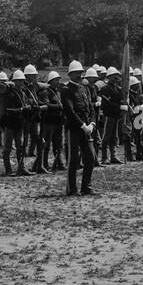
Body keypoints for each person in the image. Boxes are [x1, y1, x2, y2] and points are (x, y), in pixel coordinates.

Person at [60, 61, 97, 196]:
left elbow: (91, 108)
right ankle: (72, 188)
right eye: (76, 73)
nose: (79, 75)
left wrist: (92, 124)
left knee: (90, 158)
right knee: (73, 159)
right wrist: (82, 125)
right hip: (75, 129)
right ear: (70, 74)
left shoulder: (84, 88)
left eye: (80, 72)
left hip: (87, 128)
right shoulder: (66, 90)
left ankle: (86, 186)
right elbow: (70, 111)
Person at [0, 69, 26, 176]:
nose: (21, 83)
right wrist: (21, 109)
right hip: (9, 124)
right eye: (19, 81)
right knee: (7, 148)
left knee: (20, 147)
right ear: (14, 81)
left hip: (19, 124)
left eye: (22, 81)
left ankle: (21, 168)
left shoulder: (22, 93)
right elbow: (8, 110)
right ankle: (8, 170)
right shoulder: (9, 94)